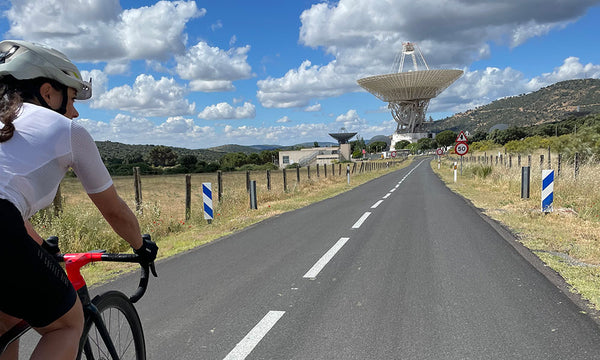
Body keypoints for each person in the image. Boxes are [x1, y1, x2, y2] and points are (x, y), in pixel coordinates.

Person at [0, 40, 158, 360]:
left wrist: (42, 247)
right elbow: (114, 210)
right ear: (47, 92)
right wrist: (141, 246)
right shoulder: (67, 130)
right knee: (67, 324)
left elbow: (9, 203)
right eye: (71, 97)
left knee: (6, 320)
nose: (74, 110)